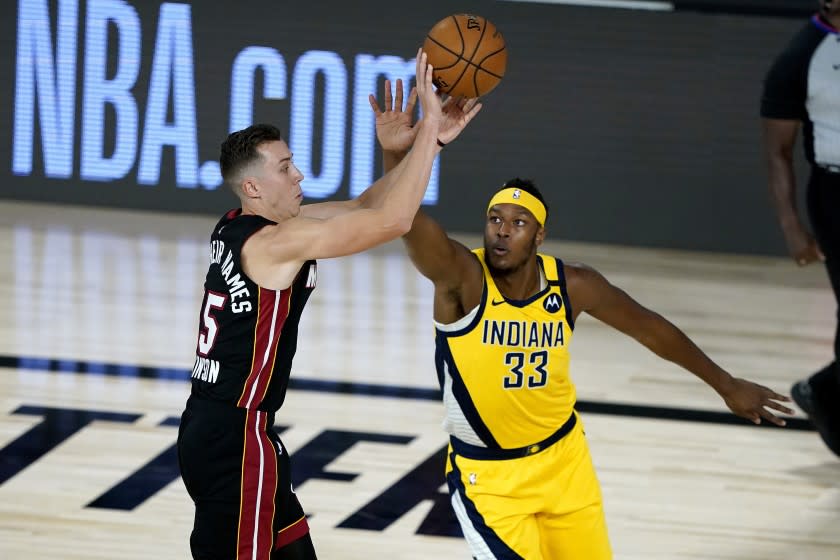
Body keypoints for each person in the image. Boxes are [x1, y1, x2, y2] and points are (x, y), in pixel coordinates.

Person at [369, 82, 795, 559]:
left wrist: (725, 383)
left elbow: (650, 329)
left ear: (540, 235)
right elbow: (402, 220)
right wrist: (399, 157)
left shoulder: (573, 285)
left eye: (517, 223)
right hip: (489, 480)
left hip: (564, 463)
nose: (502, 232)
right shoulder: (462, 280)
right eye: (494, 219)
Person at [176, 50, 482, 560]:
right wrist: (429, 128)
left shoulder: (245, 224)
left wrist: (406, 151)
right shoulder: (273, 245)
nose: (298, 175)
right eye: (285, 167)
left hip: (233, 431)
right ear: (253, 186)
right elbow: (393, 223)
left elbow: (369, 207)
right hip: (235, 440)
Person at [761, 0, 840, 457]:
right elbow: (777, 151)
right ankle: (826, 393)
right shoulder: (800, 57)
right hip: (835, 197)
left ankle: (823, 389)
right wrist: (792, 226)